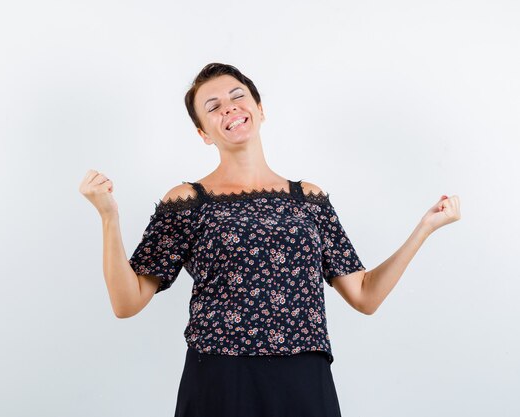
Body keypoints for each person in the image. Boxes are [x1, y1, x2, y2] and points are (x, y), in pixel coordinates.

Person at [79, 63, 461, 417]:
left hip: (304, 376)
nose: (229, 108)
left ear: (260, 109)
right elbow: (126, 303)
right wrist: (108, 216)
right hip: (221, 376)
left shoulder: (309, 199)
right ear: (202, 133)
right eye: (213, 107)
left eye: (237, 96)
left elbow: (365, 295)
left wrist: (424, 228)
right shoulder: (186, 201)